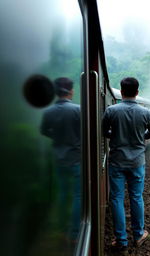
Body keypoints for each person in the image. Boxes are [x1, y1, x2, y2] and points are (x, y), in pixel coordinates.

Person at [102, 77, 150, 254]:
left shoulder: (111, 110)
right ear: (137, 92)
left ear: (122, 91)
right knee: (136, 197)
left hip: (117, 161)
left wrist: (117, 135)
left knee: (117, 199)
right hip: (137, 161)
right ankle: (138, 235)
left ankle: (121, 240)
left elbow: (105, 132)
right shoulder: (146, 112)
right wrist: (141, 137)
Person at [40, 77, 81, 243]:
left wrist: (57, 137)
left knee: (63, 194)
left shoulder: (48, 112)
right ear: (71, 91)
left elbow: (44, 131)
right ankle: (74, 233)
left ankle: (62, 230)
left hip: (59, 159)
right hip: (77, 158)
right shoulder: (78, 110)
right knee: (78, 195)